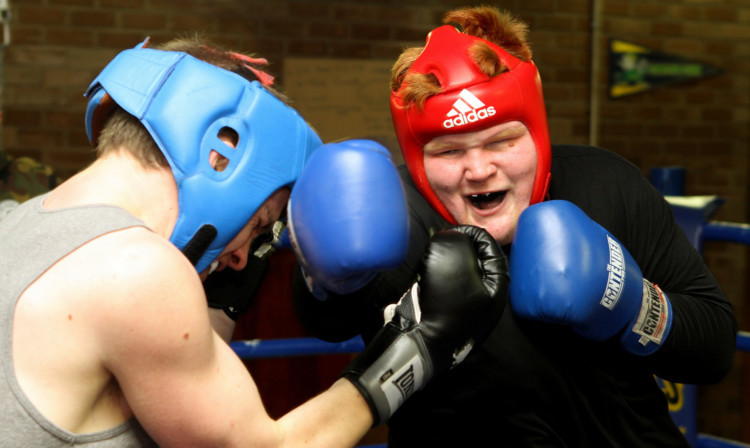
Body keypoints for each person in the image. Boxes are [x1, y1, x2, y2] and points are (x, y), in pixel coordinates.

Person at [0, 36, 509, 447]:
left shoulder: (17, 224)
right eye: (262, 220)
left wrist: (226, 278)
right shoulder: (135, 269)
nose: (243, 253)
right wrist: (418, 345)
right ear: (223, 152)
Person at [291, 6, 737, 447]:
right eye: (448, 152)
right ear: (417, 159)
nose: (480, 169)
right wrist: (327, 276)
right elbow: (328, 321)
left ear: (537, 133)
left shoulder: (607, 181)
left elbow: (713, 350)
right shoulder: (399, 212)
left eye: (502, 141)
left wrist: (631, 307)